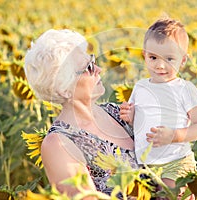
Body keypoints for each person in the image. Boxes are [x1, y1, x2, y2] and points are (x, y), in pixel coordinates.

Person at [24, 29, 138, 198]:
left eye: (93, 60)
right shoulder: (58, 144)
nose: (98, 69)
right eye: (89, 67)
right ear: (64, 89)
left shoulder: (118, 111)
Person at [120, 18, 197, 197]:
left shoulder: (185, 89)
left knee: (169, 194)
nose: (160, 65)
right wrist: (131, 116)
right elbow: (137, 123)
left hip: (176, 162)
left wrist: (175, 135)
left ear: (183, 60)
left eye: (169, 59)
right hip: (144, 164)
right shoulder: (140, 87)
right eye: (153, 58)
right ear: (145, 55)